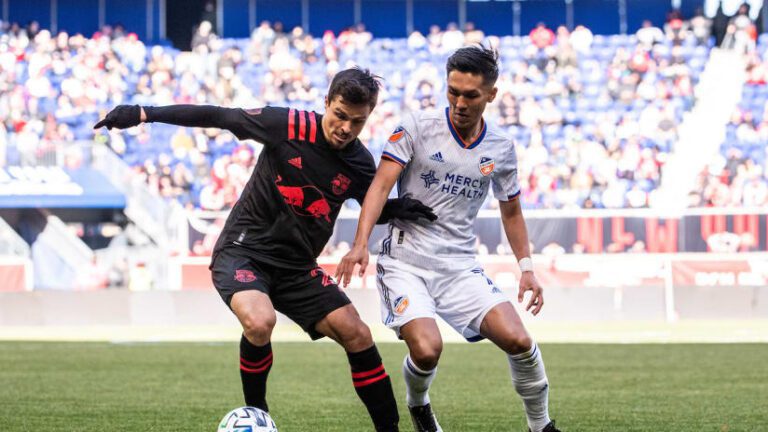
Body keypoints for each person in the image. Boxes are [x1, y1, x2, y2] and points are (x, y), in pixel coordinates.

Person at [95, 68, 438, 432]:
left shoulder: (358, 162)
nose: (345, 128)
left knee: (358, 334)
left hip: (296, 267)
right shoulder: (286, 125)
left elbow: (375, 207)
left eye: (357, 122)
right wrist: (145, 113)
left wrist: (398, 208)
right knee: (260, 322)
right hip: (244, 252)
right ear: (326, 103)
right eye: (340, 115)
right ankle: (257, 415)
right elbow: (220, 116)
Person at [336, 48, 560, 432]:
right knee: (427, 349)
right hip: (406, 262)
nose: (459, 102)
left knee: (519, 340)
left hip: (459, 266)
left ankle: (541, 426)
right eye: (452, 91)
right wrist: (360, 242)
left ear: (491, 94)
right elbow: (380, 186)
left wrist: (526, 268)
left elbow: (511, 210)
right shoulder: (416, 126)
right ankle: (419, 404)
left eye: (470, 95)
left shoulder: (501, 149)